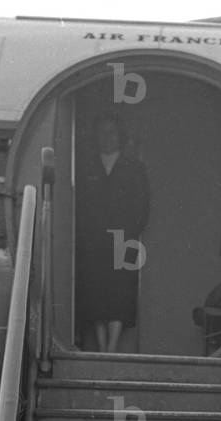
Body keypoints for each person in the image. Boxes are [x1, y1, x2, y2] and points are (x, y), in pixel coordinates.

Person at [74, 112, 150, 352]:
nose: (107, 137)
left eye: (112, 132)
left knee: (119, 292)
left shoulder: (134, 168)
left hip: (122, 240)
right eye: (102, 132)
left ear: (120, 136)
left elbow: (142, 206)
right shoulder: (85, 167)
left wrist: (130, 232)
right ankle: (102, 347)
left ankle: (112, 347)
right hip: (93, 241)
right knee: (95, 291)